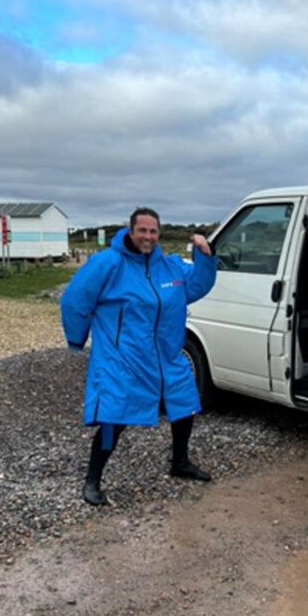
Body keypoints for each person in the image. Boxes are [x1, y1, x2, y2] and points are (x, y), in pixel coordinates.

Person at [60, 207, 217, 505]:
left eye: (153, 231)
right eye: (142, 230)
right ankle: (92, 480)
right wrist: (77, 339)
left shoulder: (170, 267)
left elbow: (196, 285)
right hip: (122, 358)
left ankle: (180, 462)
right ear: (130, 231)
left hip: (166, 355)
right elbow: (73, 301)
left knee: (184, 403)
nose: (148, 236)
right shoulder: (107, 263)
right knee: (112, 417)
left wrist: (206, 257)